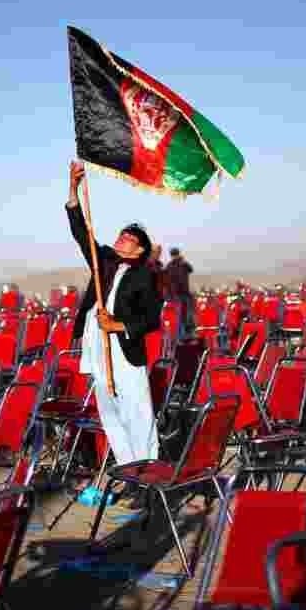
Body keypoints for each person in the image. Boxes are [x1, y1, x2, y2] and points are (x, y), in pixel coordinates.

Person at [66, 161, 163, 472]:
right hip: (96, 344)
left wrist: (117, 325)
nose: (120, 239)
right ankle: (127, 470)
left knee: (136, 413)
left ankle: (147, 471)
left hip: (124, 348)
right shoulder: (104, 260)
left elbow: (151, 319)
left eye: (128, 239)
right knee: (110, 414)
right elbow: (82, 234)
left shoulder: (145, 276)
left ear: (139, 251)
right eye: (120, 235)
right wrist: (73, 191)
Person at [165, 247, 194, 337]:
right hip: (176, 294)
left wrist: (183, 260)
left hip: (183, 293)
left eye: (176, 254)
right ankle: (182, 334)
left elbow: (190, 269)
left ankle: (187, 332)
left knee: (187, 315)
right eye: (174, 255)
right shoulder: (170, 265)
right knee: (180, 316)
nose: (175, 257)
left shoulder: (183, 264)